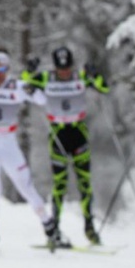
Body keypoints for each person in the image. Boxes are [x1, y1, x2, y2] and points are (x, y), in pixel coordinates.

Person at [21, 46, 110, 247]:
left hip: (78, 133)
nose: (64, 72)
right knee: (59, 186)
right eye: (61, 69)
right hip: (58, 135)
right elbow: (23, 85)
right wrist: (29, 71)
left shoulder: (80, 76)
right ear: (55, 66)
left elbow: (104, 88)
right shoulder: (46, 78)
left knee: (84, 184)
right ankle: (55, 230)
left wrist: (95, 75)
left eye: (67, 68)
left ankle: (90, 229)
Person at [0, 48, 57, 258]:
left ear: (8, 70)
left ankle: (48, 225)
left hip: (9, 144)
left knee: (25, 185)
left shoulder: (16, 86)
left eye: (2, 69)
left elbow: (41, 100)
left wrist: (32, 85)